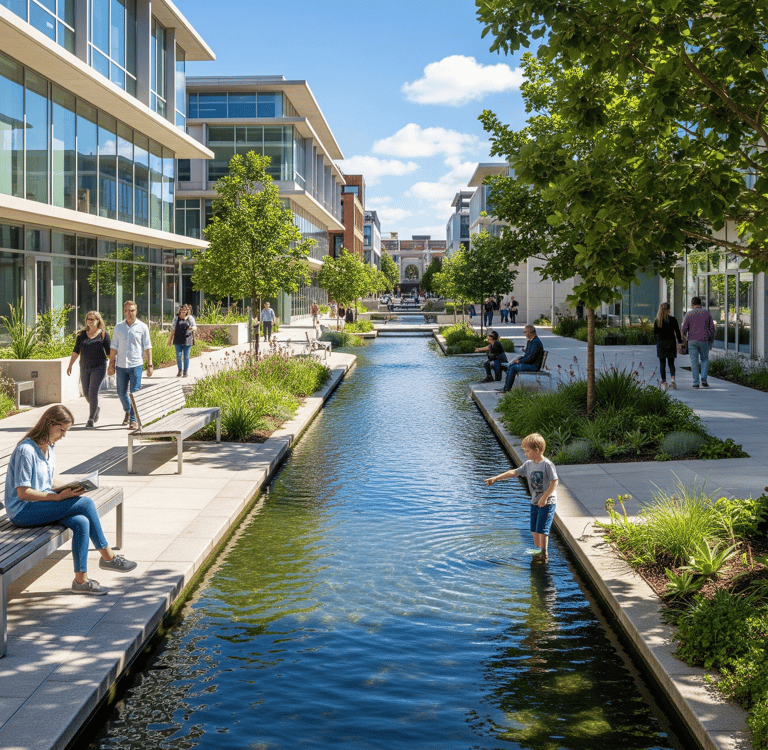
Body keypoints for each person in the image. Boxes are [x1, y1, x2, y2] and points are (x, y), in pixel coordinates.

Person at [5, 405, 137, 595]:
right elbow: (23, 493)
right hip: (23, 511)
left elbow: (47, 481)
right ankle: (108, 557)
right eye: (62, 430)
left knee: (81, 521)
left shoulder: (49, 447)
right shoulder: (26, 450)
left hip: (43, 505)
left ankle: (80, 581)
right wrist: (58, 497)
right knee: (86, 503)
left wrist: (68, 488)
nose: (63, 435)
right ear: (50, 424)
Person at [484, 432, 558, 559]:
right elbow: (514, 472)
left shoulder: (547, 465)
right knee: (534, 528)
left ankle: (544, 552)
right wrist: (496, 478)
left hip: (547, 502)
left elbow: (554, 482)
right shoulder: (529, 464)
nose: (525, 454)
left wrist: (545, 497)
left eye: (527, 451)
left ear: (538, 450)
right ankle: (536, 550)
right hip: (535, 501)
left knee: (542, 529)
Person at [108, 301, 152, 430]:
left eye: (132, 310)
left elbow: (147, 347)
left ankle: (133, 419)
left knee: (135, 393)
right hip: (121, 365)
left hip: (136, 365)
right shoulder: (118, 327)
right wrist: (111, 364)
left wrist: (150, 365)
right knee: (121, 393)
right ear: (123, 311)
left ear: (136, 311)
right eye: (127, 310)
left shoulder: (142, 327)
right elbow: (114, 346)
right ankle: (128, 410)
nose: (129, 313)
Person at [66, 311, 110, 429]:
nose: (90, 321)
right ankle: (96, 408)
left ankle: (90, 419)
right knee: (86, 393)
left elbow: (110, 353)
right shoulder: (82, 335)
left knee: (92, 392)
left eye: (93, 319)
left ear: (98, 321)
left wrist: (113, 366)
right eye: (88, 319)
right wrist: (70, 365)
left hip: (99, 367)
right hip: (84, 367)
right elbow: (76, 350)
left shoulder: (103, 335)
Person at [681, 296, 716, 388]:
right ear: (700, 304)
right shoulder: (707, 313)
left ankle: (696, 382)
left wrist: (683, 338)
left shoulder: (689, 314)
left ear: (692, 303)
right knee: (704, 359)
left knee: (694, 361)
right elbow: (712, 329)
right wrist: (711, 340)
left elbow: (684, 329)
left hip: (692, 340)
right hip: (705, 340)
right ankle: (704, 379)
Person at [498, 324, 544, 392]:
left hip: (534, 366)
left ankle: (507, 389)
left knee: (513, 368)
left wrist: (520, 361)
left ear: (530, 332)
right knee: (511, 365)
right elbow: (527, 356)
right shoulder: (530, 342)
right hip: (530, 363)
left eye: (525, 332)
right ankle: (506, 387)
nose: (524, 334)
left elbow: (531, 358)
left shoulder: (536, 342)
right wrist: (519, 359)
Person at [653, 302, 682, 390]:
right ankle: (673, 379)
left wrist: (657, 342)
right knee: (671, 363)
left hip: (661, 343)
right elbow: (677, 332)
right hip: (671, 343)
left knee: (662, 364)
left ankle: (664, 382)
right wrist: (680, 342)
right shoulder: (673, 320)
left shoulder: (657, 321)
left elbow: (655, 334)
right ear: (669, 309)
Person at [168, 305, 196, 377]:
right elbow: (173, 330)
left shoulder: (190, 318)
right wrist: (170, 340)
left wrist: (192, 328)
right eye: (182, 310)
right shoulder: (176, 319)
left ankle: (185, 371)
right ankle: (180, 370)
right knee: (179, 356)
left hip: (187, 339)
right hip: (178, 339)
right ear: (180, 310)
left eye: (185, 310)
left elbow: (194, 327)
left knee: (186, 356)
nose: (183, 311)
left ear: (187, 311)